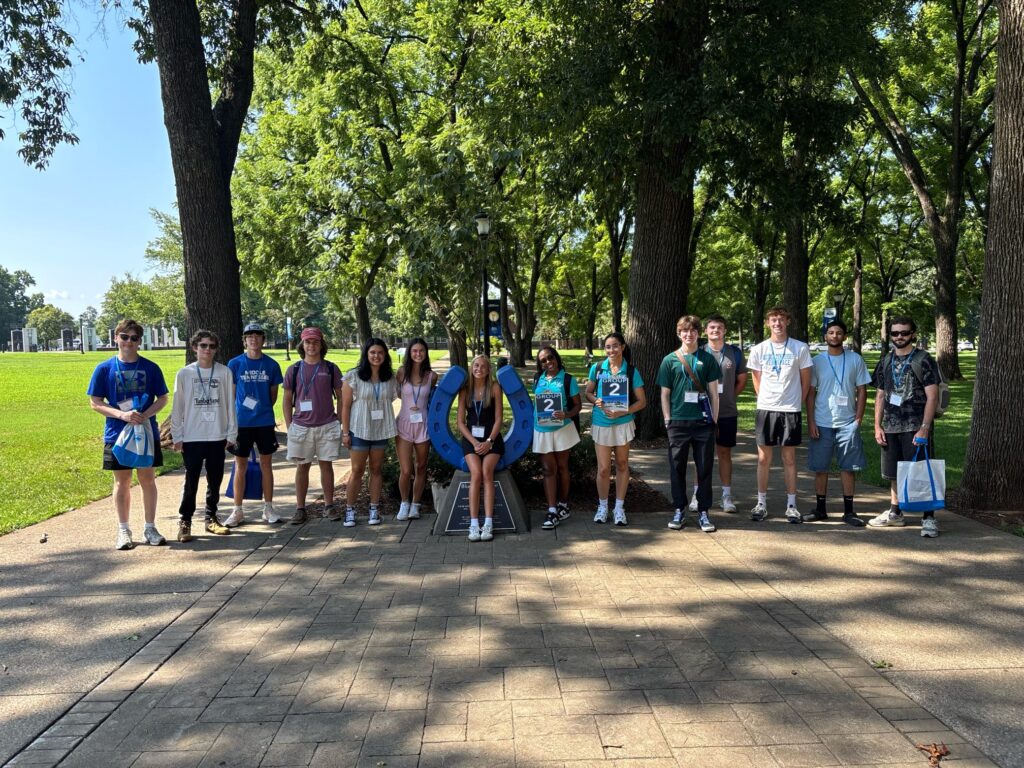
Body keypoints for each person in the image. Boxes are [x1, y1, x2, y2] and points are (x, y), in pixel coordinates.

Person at [87, 318, 170, 550]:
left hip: (145, 433)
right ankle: (123, 530)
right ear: (116, 338)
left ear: (139, 341)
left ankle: (150, 527)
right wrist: (121, 415)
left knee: (147, 479)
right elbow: (95, 402)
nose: (129, 342)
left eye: (134, 338)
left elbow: (163, 398)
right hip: (117, 434)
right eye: (124, 337)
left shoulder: (151, 368)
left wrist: (145, 414)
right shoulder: (104, 369)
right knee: (122, 481)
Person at [869, 316, 941, 536]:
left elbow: (932, 396)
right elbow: (880, 395)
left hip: (915, 425)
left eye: (904, 332)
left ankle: (928, 517)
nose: (899, 337)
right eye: (895, 333)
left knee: (921, 470)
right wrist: (877, 425)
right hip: (890, 425)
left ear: (912, 334)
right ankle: (895, 512)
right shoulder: (886, 360)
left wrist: (925, 427)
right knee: (894, 472)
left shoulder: (923, 359)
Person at [746, 306, 813, 523]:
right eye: (773, 320)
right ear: (768, 323)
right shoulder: (758, 349)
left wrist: (796, 402)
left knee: (789, 459)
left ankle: (791, 505)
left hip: (790, 410)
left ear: (788, 322)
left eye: (781, 319)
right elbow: (756, 379)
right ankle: (761, 503)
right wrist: (766, 399)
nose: (777, 323)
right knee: (763, 458)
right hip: (766, 409)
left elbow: (806, 381)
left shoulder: (800, 348)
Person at [170, 330, 238, 542]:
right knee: (191, 480)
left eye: (211, 346)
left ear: (216, 349)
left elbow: (230, 404)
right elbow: (177, 407)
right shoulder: (185, 374)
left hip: (217, 435)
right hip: (192, 436)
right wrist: (177, 435)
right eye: (203, 345)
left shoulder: (224, 372)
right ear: (194, 348)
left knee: (215, 480)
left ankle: (211, 518)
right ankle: (185, 521)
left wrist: (232, 432)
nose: (207, 349)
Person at [658, 315, 721, 533]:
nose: (689, 334)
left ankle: (703, 511)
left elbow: (714, 393)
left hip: (703, 422)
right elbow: (664, 393)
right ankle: (679, 509)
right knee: (677, 468)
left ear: (698, 333)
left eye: (693, 330)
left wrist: (714, 420)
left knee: (704, 468)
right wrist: (667, 419)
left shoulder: (708, 359)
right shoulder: (669, 360)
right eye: (685, 330)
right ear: (679, 333)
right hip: (678, 422)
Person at [804, 320, 870, 526]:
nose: (835, 336)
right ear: (825, 336)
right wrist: (811, 421)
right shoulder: (817, 361)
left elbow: (862, 390)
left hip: (847, 422)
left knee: (848, 468)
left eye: (839, 332)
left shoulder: (855, 359)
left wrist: (857, 420)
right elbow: (810, 394)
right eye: (831, 332)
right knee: (820, 468)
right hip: (822, 422)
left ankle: (849, 512)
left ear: (844, 336)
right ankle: (820, 509)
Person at [282, 327, 344, 525]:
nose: (311, 346)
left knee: (327, 466)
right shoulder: (294, 369)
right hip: (301, 426)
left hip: (327, 425)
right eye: (308, 342)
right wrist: (289, 425)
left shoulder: (330, 368)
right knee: (302, 467)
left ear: (321, 344)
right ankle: (300, 509)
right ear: (302, 345)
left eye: (315, 342)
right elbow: (286, 399)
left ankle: (329, 506)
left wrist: (339, 420)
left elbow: (341, 396)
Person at [584, 332, 647, 526]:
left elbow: (642, 401)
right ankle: (603, 507)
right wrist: (596, 400)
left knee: (622, 464)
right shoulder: (597, 368)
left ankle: (619, 508)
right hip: (601, 423)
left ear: (623, 347)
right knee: (603, 469)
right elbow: (588, 392)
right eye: (608, 347)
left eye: (615, 346)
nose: (611, 350)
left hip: (622, 423)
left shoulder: (631, 371)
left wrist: (623, 411)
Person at [225, 322, 284, 526]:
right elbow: (231, 394)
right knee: (240, 464)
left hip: (264, 421)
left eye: (257, 335)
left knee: (266, 464)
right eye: (249, 336)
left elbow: (273, 395)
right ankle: (237, 510)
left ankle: (268, 508)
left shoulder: (271, 365)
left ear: (263, 340)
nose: (253, 339)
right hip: (242, 423)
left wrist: (261, 408)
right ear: (244, 340)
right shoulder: (235, 363)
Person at [689, 314, 747, 513]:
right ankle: (697, 494)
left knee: (724, 453)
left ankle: (726, 496)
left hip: (727, 412)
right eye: (712, 327)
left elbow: (742, 380)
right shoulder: (698, 352)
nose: (715, 330)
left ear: (725, 331)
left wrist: (729, 396)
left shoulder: (734, 353)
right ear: (705, 331)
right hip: (701, 412)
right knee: (701, 455)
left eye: (719, 327)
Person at [341, 337, 399, 527]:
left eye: (380, 352)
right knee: (357, 470)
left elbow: (391, 398)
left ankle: (374, 509)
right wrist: (345, 433)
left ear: (385, 355)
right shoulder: (353, 376)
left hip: (380, 430)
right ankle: (350, 510)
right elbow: (345, 406)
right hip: (359, 429)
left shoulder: (390, 378)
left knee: (376, 469)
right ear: (366, 354)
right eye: (372, 352)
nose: (376, 356)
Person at [533, 346, 582, 530]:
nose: (548, 362)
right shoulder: (538, 378)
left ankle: (563, 504)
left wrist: (566, 414)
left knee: (562, 467)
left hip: (562, 429)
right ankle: (552, 510)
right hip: (542, 429)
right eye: (543, 361)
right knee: (548, 469)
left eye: (550, 357)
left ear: (556, 357)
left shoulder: (568, 379)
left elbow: (577, 406)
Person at [457, 355, 505, 541]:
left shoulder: (494, 387)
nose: (479, 369)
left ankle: (488, 524)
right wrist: (475, 443)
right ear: (471, 367)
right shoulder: (465, 390)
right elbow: (460, 422)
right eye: (476, 365)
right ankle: (474, 524)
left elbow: (499, 418)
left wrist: (489, 441)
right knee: (476, 473)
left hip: (492, 439)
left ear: (488, 370)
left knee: (487, 472)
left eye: (483, 366)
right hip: (471, 440)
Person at [395, 338, 437, 521]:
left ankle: (415, 505)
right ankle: (404, 503)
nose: (418, 354)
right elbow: (398, 394)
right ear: (409, 353)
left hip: (423, 425)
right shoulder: (401, 373)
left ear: (426, 353)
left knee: (421, 466)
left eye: (421, 351)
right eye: (414, 351)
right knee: (406, 470)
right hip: (404, 424)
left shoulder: (432, 376)